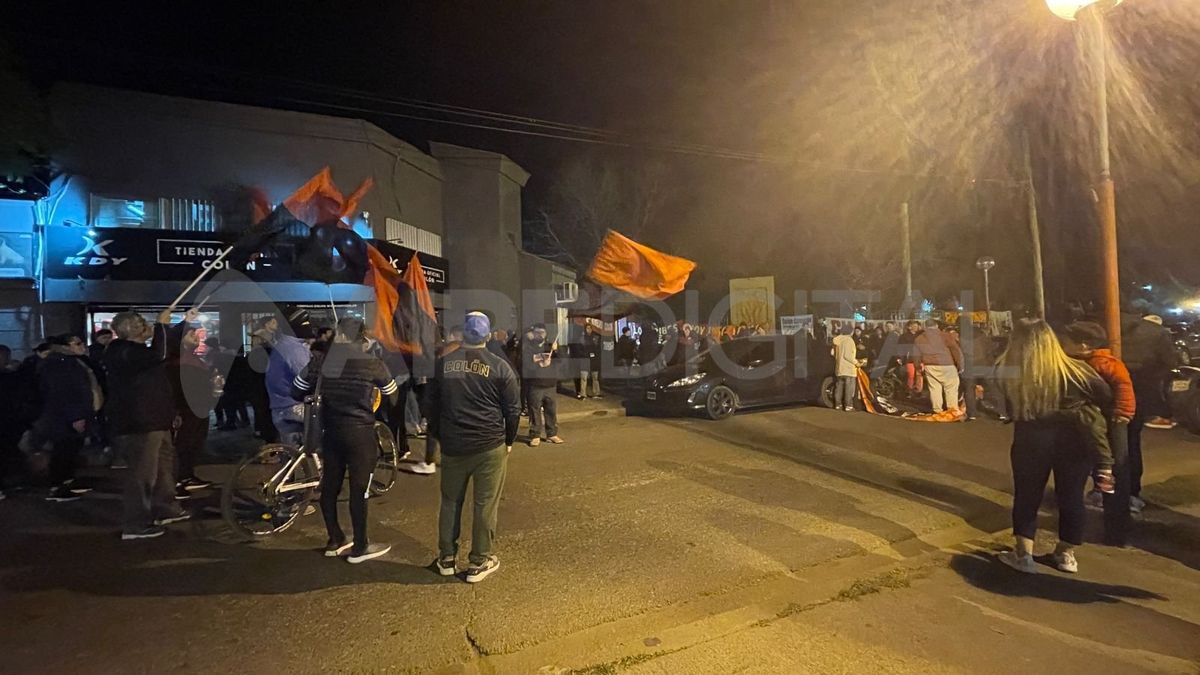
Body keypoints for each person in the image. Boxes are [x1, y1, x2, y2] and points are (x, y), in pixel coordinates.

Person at [997, 319, 1111, 574]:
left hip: (1031, 439)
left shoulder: (1009, 371)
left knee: (1027, 496)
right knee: (1071, 496)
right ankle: (1065, 554)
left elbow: (1005, 407)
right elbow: (1106, 396)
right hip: (1074, 440)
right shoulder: (1078, 370)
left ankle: (1024, 556)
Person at [292, 317, 398, 563]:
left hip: (330, 433)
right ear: (361, 338)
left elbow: (296, 390)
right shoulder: (372, 363)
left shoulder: (321, 362)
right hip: (361, 434)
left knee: (330, 486)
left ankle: (335, 539)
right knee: (359, 490)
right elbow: (392, 396)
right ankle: (360, 547)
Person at [429, 311, 520, 583]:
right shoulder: (501, 367)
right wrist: (509, 440)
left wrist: (440, 436)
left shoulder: (443, 365)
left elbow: (430, 407)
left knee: (449, 502)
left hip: (454, 445)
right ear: (488, 336)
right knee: (485, 505)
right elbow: (512, 410)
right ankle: (479, 561)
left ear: (462, 335)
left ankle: (446, 557)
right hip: (489, 446)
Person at [104, 309, 195, 540]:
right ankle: (136, 523)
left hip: (156, 419)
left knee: (164, 468)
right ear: (133, 329)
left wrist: (183, 322)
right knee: (142, 475)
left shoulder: (134, 352)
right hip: (140, 423)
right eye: (144, 325)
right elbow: (160, 353)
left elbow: (160, 354)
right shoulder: (123, 352)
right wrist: (163, 326)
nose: (148, 328)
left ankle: (166, 508)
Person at [1060, 321, 1136, 543]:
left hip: (1111, 424)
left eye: (1067, 342)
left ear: (1083, 345)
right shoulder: (1086, 361)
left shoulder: (1105, 363)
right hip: (1094, 424)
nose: (1062, 346)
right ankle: (1109, 514)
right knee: (1106, 469)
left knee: (1114, 470)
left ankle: (1117, 528)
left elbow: (1124, 386)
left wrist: (1122, 413)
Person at [1119, 313, 1176, 515]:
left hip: (1102, 393)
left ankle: (1102, 489)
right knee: (1130, 444)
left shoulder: (1099, 325)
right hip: (1138, 394)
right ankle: (1131, 493)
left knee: (1098, 442)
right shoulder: (1156, 333)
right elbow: (1170, 361)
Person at [35, 334, 101, 501]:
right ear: (65, 346)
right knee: (64, 449)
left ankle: (67, 481)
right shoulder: (59, 364)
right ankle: (58, 485)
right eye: (77, 343)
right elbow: (64, 392)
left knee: (71, 448)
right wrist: (76, 416)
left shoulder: (70, 361)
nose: (82, 346)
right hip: (64, 416)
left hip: (70, 414)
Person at [169, 323, 217, 495]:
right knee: (184, 445)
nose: (196, 337)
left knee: (193, 444)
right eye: (191, 335)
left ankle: (187, 476)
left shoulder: (193, 358)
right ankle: (178, 481)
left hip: (198, 410)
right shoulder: (178, 361)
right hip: (187, 411)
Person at [266, 307, 315, 446]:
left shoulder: (283, 345)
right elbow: (309, 376)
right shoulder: (294, 349)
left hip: (280, 407)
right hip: (292, 407)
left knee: (293, 455)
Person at [523, 324, 564, 446]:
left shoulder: (550, 346)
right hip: (535, 385)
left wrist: (556, 350)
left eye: (542, 332)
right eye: (537, 332)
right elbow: (526, 365)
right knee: (534, 411)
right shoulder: (528, 348)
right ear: (533, 334)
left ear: (546, 334)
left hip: (550, 384)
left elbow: (561, 360)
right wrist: (539, 365)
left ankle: (551, 434)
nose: (540, 334)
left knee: (551, 411)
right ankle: (535, 435)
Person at [915, 319, 963, 413]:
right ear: (936, 326)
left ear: (925, 327)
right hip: (947, 364)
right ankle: (952, 410)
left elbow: (916, 355)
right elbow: (955, 350)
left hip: (930, 365)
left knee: (934, 389)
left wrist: (918, 366)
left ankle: (937, 410)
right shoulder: (945, 336)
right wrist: (959, 365)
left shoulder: (919, 338)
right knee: (951, 388)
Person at [831, 325, 858, 412]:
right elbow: (848, 356)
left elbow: (832, 353)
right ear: (851, 332)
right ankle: (848, 406)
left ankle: (838, 405)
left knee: (839, 387)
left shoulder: (837, 340)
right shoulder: (849, 340)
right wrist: (856, 362)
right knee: (849, 388)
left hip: (839, 368)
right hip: (848, 369)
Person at [573, 323, 602, 399]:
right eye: (587, 328)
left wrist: (595, 355)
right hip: (584, 360)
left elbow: (598, 349)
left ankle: (596, 393)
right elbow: (578, 350)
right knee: (584, 378)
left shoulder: (595, 338)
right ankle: (583, 394)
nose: (589, 330)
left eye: (590, 328)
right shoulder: (581, 339)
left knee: (595, 378)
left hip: (593, 361)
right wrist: (586, 355)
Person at [899, 321, 924, 393]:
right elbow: (901, 348)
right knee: (911, 375)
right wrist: (900, 357)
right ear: (909, 327)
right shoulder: (904, 336)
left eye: (917, 326)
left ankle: (919, 390)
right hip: (910, 358)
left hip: (919, 359)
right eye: (914, 326)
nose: (916, 328)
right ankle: (909, 389)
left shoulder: (920, 336)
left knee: (919, 374)